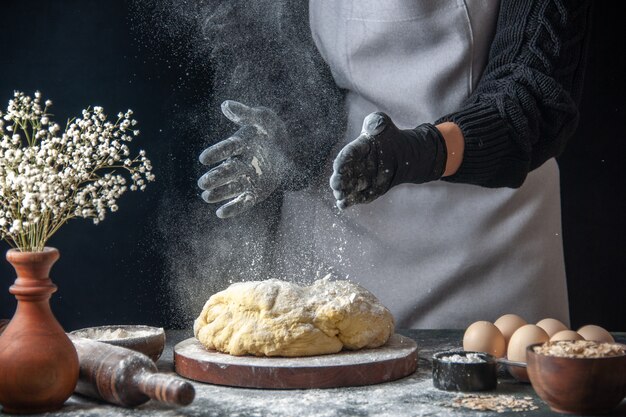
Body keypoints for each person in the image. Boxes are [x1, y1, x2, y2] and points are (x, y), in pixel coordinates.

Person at [196, 0, 591, 328]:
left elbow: (535, 95)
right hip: (332, 237)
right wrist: (285, 143)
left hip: (487, 247)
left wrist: (423, 151)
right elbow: (286, 59)